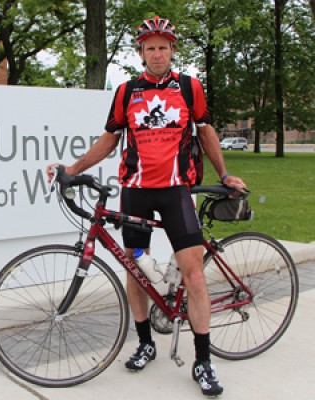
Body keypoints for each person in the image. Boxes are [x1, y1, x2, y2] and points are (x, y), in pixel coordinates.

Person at [47, 16, 247, 397]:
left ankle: (203, 361)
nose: (157, 53)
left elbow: (205, 132)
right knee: (134, 269)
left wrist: (224, 174)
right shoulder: (126, 92)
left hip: (176, 192)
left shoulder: (189, 88)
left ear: (172, 51)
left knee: (195, 275)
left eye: (163, 46)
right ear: (140, 53)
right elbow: (110, 139)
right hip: (135, 192)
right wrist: (72, 168)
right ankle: (145, 342)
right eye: (150, 47)